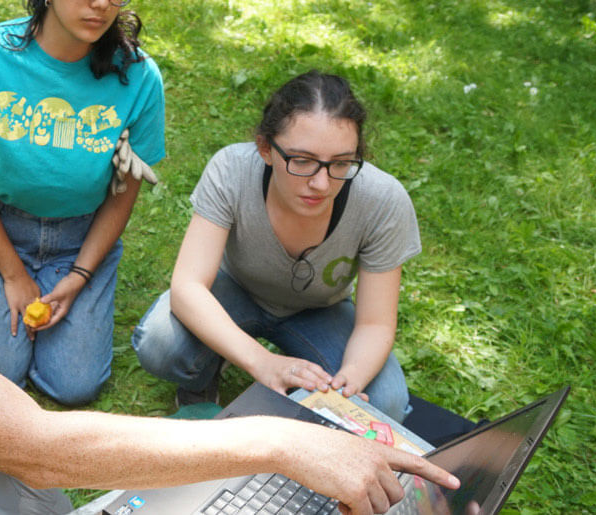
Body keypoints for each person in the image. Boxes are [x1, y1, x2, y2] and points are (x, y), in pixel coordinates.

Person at [0, 2, 458, 514]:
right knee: (36, 461)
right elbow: (33, 439)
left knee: (44, 490)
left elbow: (28, 448)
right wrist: (283, 441)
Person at [133, 70, 418, 421]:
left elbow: (375, 323)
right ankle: (209, 369)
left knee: (385, 401)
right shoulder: (232, 170)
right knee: (160, 344)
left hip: (320, 310)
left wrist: (349, 383)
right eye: (302, 160)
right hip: (235, 289)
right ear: (265, 148)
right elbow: (188, 287)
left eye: (341, 163)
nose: (321, 183)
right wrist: (261, 362)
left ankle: (309, 403)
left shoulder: (383, 201)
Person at [0, 0, 165, 406]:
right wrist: (12, 274)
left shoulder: (138, 75)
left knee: (75, 385)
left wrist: (80, 275)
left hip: (78, 240)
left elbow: (121, 199)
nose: (101, 4)